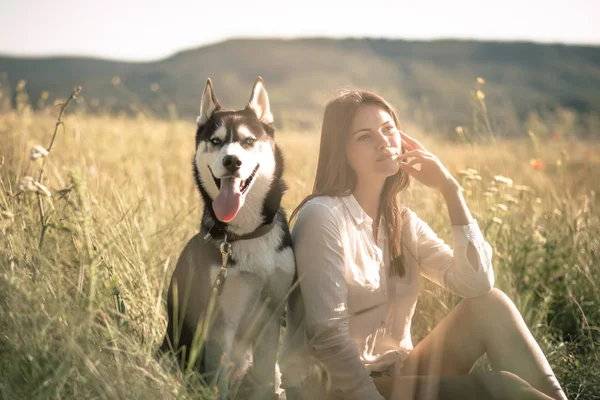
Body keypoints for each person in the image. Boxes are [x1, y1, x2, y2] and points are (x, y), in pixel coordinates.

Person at [278, 89, 567, 400]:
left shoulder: (401, 222)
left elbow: (477, 282)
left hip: (396, 375)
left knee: (491, 305)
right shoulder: (323, 216)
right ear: (341, 150)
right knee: (501, 388)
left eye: (388, 129)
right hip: (334, 389)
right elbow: (329, 336)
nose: (384, 142)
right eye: (364, 136)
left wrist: (450, 189)